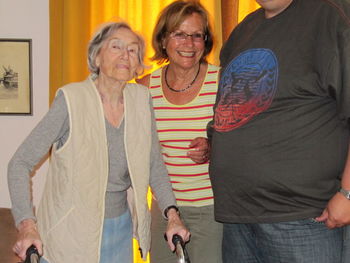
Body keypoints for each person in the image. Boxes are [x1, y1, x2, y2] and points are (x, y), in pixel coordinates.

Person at [7, 21, 190, 263]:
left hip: (120, 229)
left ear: (138, 64)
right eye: (116, 46)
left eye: (133, 50)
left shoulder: (141, 100)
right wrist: (27, 224)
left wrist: (173, 214)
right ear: (96, 57)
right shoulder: (71, 100)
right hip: (70, 232)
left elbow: (155, 165)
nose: (126, 55)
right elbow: (19, 163)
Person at [206, 0, 350, 262]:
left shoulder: (330, 14)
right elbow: (230, 107)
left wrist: (349, 193)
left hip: (302, 218)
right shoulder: (243, 30)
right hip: (237, 217)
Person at [136, 1, 222, 262]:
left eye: (197, 35)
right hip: (164, 210)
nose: (189, 43)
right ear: (163, 39)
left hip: (212, 211)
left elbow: (245, 143)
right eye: (180, 34)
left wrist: (213, 146)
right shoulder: (143, 88)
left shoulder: (222, 81)